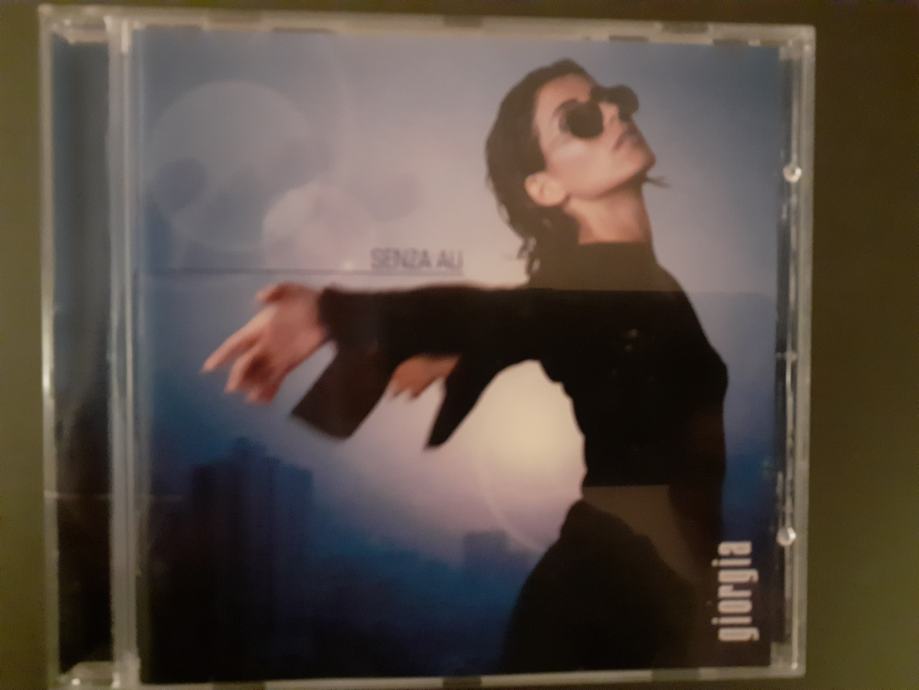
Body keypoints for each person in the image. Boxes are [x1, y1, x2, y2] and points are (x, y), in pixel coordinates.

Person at [202, 59, 728, 671]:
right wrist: (332, 314)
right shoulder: (599, 282)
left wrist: (464, 352)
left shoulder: (632, 281)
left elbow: (532, 321)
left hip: (635, 596)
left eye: (611, 97)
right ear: (544, 187)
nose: (612, 111)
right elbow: (507, 314)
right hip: (603, 608)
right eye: (578, 120)